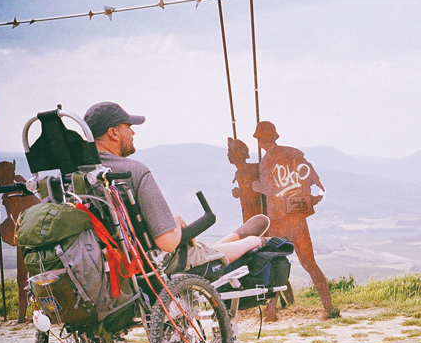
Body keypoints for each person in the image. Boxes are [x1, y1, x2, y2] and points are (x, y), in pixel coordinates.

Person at [83, 101, 269, 272]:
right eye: (129, 127)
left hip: (106, 262)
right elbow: (167, 243)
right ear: (113, 133)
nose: (133, 133)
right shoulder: (133, 171)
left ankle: (236, 235)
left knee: (203, 248)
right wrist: (176, 220)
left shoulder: (74, 177)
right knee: (201, 253)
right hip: (154, 261)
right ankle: (254, 241)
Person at [251, 121, 333, 314]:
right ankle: (329, 307)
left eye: (260, 139)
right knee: (309, 263)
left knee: (276, 262)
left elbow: (270, 190)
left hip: (279, 221)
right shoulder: (293, 154)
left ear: (263, 140)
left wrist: (256, 187)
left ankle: (271, 313)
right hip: (297, 219)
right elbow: (310, 177)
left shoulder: (265, 163)